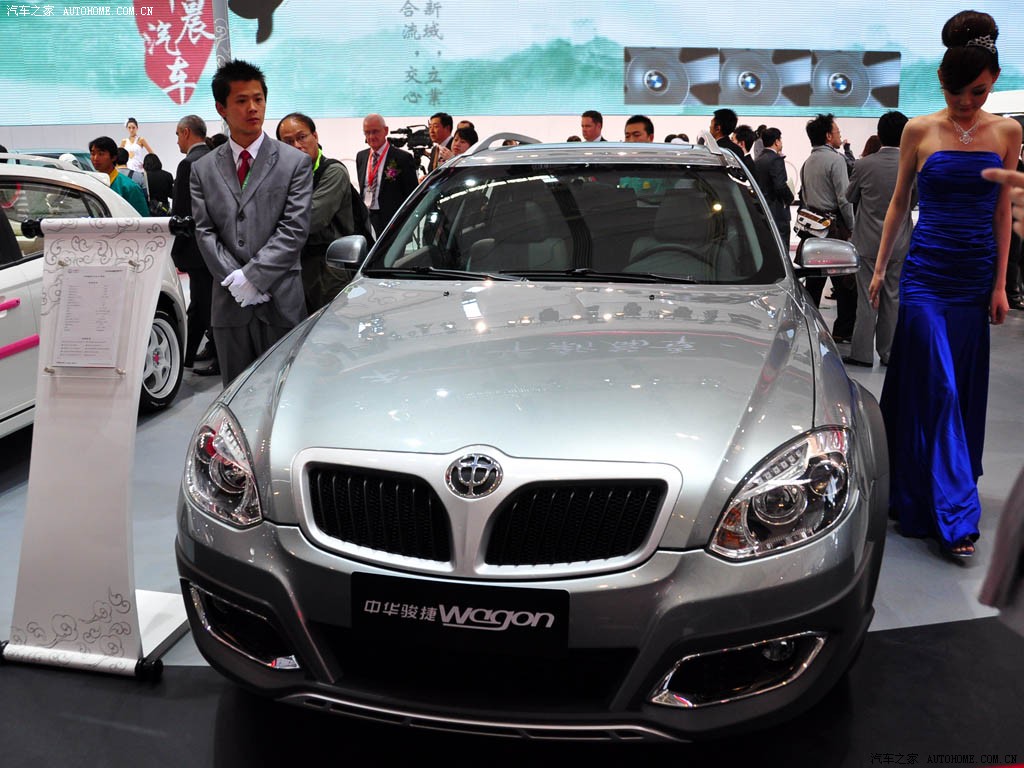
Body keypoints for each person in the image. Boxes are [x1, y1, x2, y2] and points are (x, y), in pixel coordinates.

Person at [869, 11, 1021, 560]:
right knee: (940, 387)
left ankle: (923, 489)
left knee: (959, 385)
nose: (966, 102)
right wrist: (880, 268)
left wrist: (1000, 284)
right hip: (926, 276)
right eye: (956, 92)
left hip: (974, 277)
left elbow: (1003, 210)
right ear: (941, 81)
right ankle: (955, 513)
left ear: (993, 80)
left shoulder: (1007, 132)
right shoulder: (919, 130)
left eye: (978, 92)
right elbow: (899, 202)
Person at [189, 59, 313, 386]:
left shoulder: (294, 162)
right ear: (222, 108)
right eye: (241, 100)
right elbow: (204, 231)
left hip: (280, 298)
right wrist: (236, 280)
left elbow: (294, 228)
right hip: (229, 303)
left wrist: (253, 277)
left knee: (284, 392)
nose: (253, 108)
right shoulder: (203, 169)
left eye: (258, 99)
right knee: (236, 393)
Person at [843, 111, 913, 369]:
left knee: (866, 299)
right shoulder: (912, 165)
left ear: (879, 134)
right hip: (899, 243)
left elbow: (849, 197)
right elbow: (913, 201)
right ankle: (889, 352)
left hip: (867, 242)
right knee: (893, 298)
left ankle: (861, 354)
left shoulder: (863, 165)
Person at [277, 111, 358, 313]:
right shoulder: (284, 176)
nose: (297, 145)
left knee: (332, 324)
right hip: (295, 266)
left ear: (315, 136)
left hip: (329, 269)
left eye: (301, 137)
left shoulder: (333, 171)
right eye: (288, 142)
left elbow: (312, 219)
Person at [798, 112, 856, 341]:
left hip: (812, 231)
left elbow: (804, 196)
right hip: (833, 229)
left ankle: (808, 328)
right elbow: (844, 198)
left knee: (813, 283)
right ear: (828, 136)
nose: (840, 135)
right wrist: (852, 227)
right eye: (837, 131)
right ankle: (842, 332)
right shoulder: (836, 160)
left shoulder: (807, 162)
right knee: (846, 284)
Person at [170, 114, 217, 373]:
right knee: (206, 302)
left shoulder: (188, 164)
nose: (177, 140)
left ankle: (195, 356)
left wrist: (176, 250)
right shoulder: (216, 157)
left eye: (178, 135)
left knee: (202, 304)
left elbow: (182, 212)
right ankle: (194, 354)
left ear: (186, 132)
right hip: (217, 245)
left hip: (197, 246)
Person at [357, 113, 419, 237]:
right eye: (367, 133)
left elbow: (411, 194)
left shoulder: (402, 158)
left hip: (392, 221)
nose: (371, 136)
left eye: (375, 132)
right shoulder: (361, 156)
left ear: (385, 131)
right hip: (366, 218)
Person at [753, 127, 794, 255]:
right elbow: (780, 186)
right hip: (777, 211)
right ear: (776, 141)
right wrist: (790, 198)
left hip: (762, 210)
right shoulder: (776, 159)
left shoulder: (758, 160)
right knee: (781, 249)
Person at [88, 136, 148, 215]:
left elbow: (142, 217)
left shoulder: (129, 187)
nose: (95, 158)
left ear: (113, 157)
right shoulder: (90, 183)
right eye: (92, 154)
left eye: (101, 154)